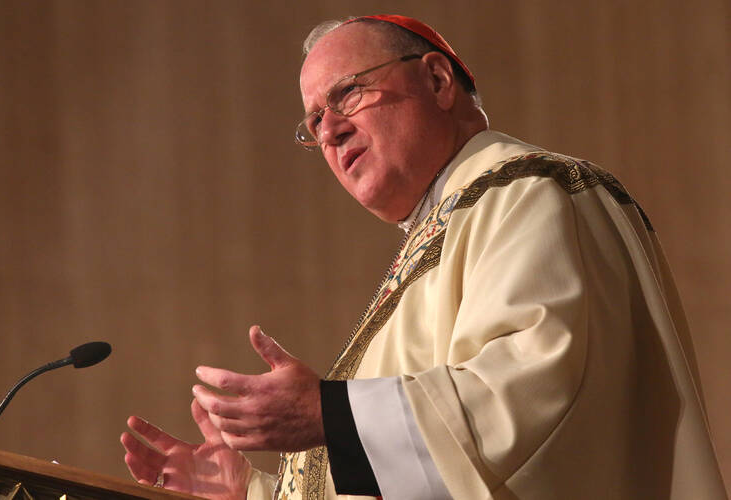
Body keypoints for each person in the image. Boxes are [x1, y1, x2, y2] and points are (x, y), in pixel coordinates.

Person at [121, 15, 728, 500]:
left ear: (437, 81)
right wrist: (254, 492)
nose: (328, 132)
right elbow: (415, 460)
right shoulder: (442, 232)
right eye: (313, 121)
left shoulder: (529, 193)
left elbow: (532, 397)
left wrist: (332, 414)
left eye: (348, 95)